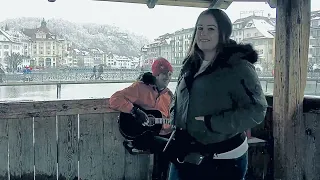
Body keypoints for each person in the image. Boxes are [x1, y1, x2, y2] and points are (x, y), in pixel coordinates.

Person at [167, 8, 268, 180]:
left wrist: (213, 123)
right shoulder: (190, 63)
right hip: (185, 149)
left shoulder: (238, 66)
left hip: (223, 158)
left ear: (223, 32)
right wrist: (174, 114)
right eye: (199, 28)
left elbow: (257, 109)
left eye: (210, 28)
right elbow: (182, 97)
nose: (203, 33)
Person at [109, 57, 174, 180]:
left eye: (170, 74)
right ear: (156, 74)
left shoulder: (169, 95)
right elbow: (114, 99)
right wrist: (134, 111)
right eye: (163, 74)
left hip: (161, 134)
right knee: (167, 147)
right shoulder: (140, 88)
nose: (167, 77)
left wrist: (172, 124)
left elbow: (169, 119)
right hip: (140, 134)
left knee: (174, 145)